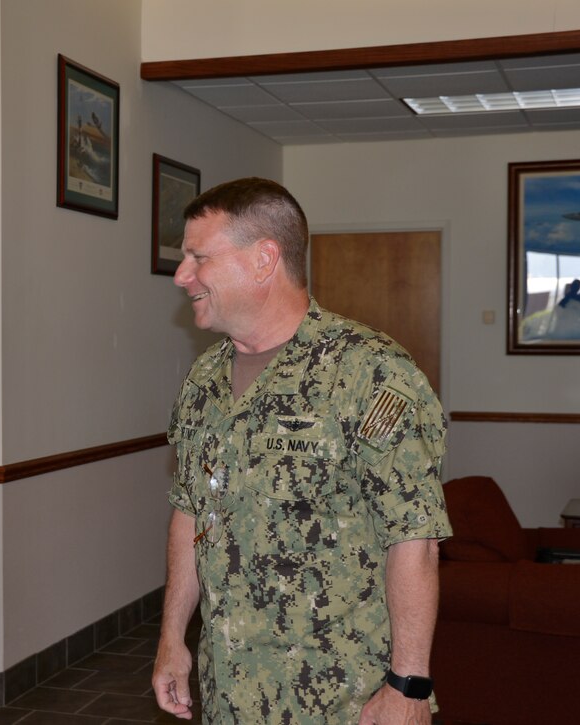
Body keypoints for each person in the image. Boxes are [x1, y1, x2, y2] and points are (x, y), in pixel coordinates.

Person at [151, 178, 451, 724]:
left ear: (265, 259)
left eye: (198, 257)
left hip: (342, 699)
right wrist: (173, 637)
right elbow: (190, 510)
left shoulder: (369, 371)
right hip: (229, 690)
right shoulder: (204, 380)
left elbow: (415, 539)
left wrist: (408, 685)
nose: (182, 276)